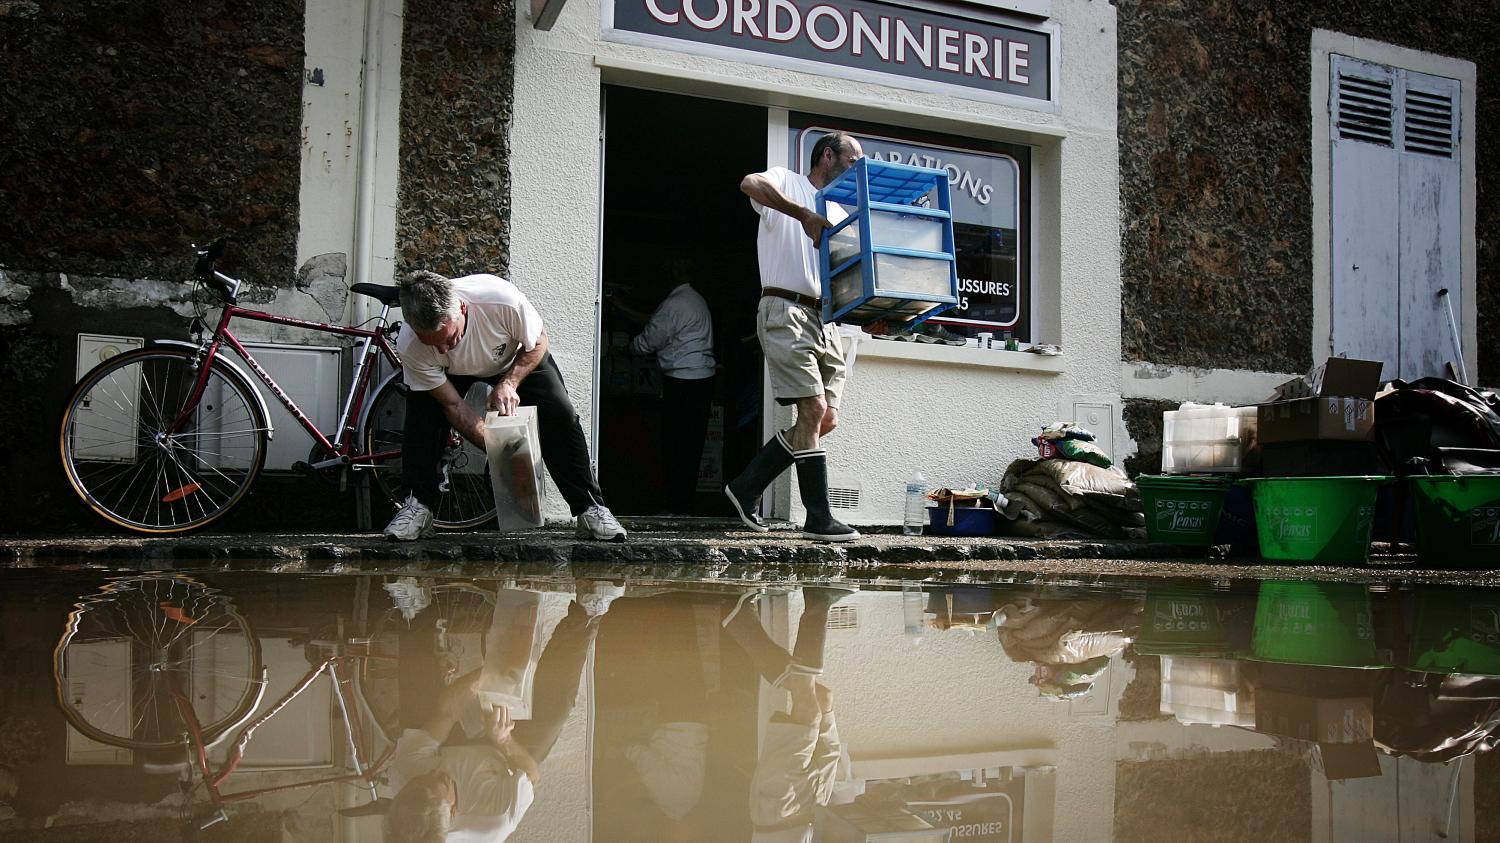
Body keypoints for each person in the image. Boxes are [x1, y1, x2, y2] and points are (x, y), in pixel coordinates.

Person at [385, 270, 625, 542]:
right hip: (449, 373)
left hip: (512, 360)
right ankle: (418, 507)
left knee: (561, 414)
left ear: (462, 309)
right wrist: (501, 449)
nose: (442, 349)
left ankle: (591, 508)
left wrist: (509, 383)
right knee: (422, 420)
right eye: (433, 344)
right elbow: (453, 405)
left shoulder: (500, 300)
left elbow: (538, 340)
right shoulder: (411, 344)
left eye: (449, 338)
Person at [725, 131, 881, 542]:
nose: (855, 170)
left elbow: (846, 273)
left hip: (825, 318)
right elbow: (748, 183)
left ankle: (745, 486)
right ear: (827, 155)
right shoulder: (787, 181)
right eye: (852, 161)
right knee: (811, 409)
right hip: (785, 307)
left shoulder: (839, 208)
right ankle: (819, 517)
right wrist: (803, 215)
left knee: (825, 417)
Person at [618, 264, 717, 515]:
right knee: (692, 446)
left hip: (682, 381)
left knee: (675, 446)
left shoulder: (676, 303)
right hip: (703, 379)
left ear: (673, 275)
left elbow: (651, 337)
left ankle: (675, 506)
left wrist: (629, 348)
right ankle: (684, 505)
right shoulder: (695, 300)